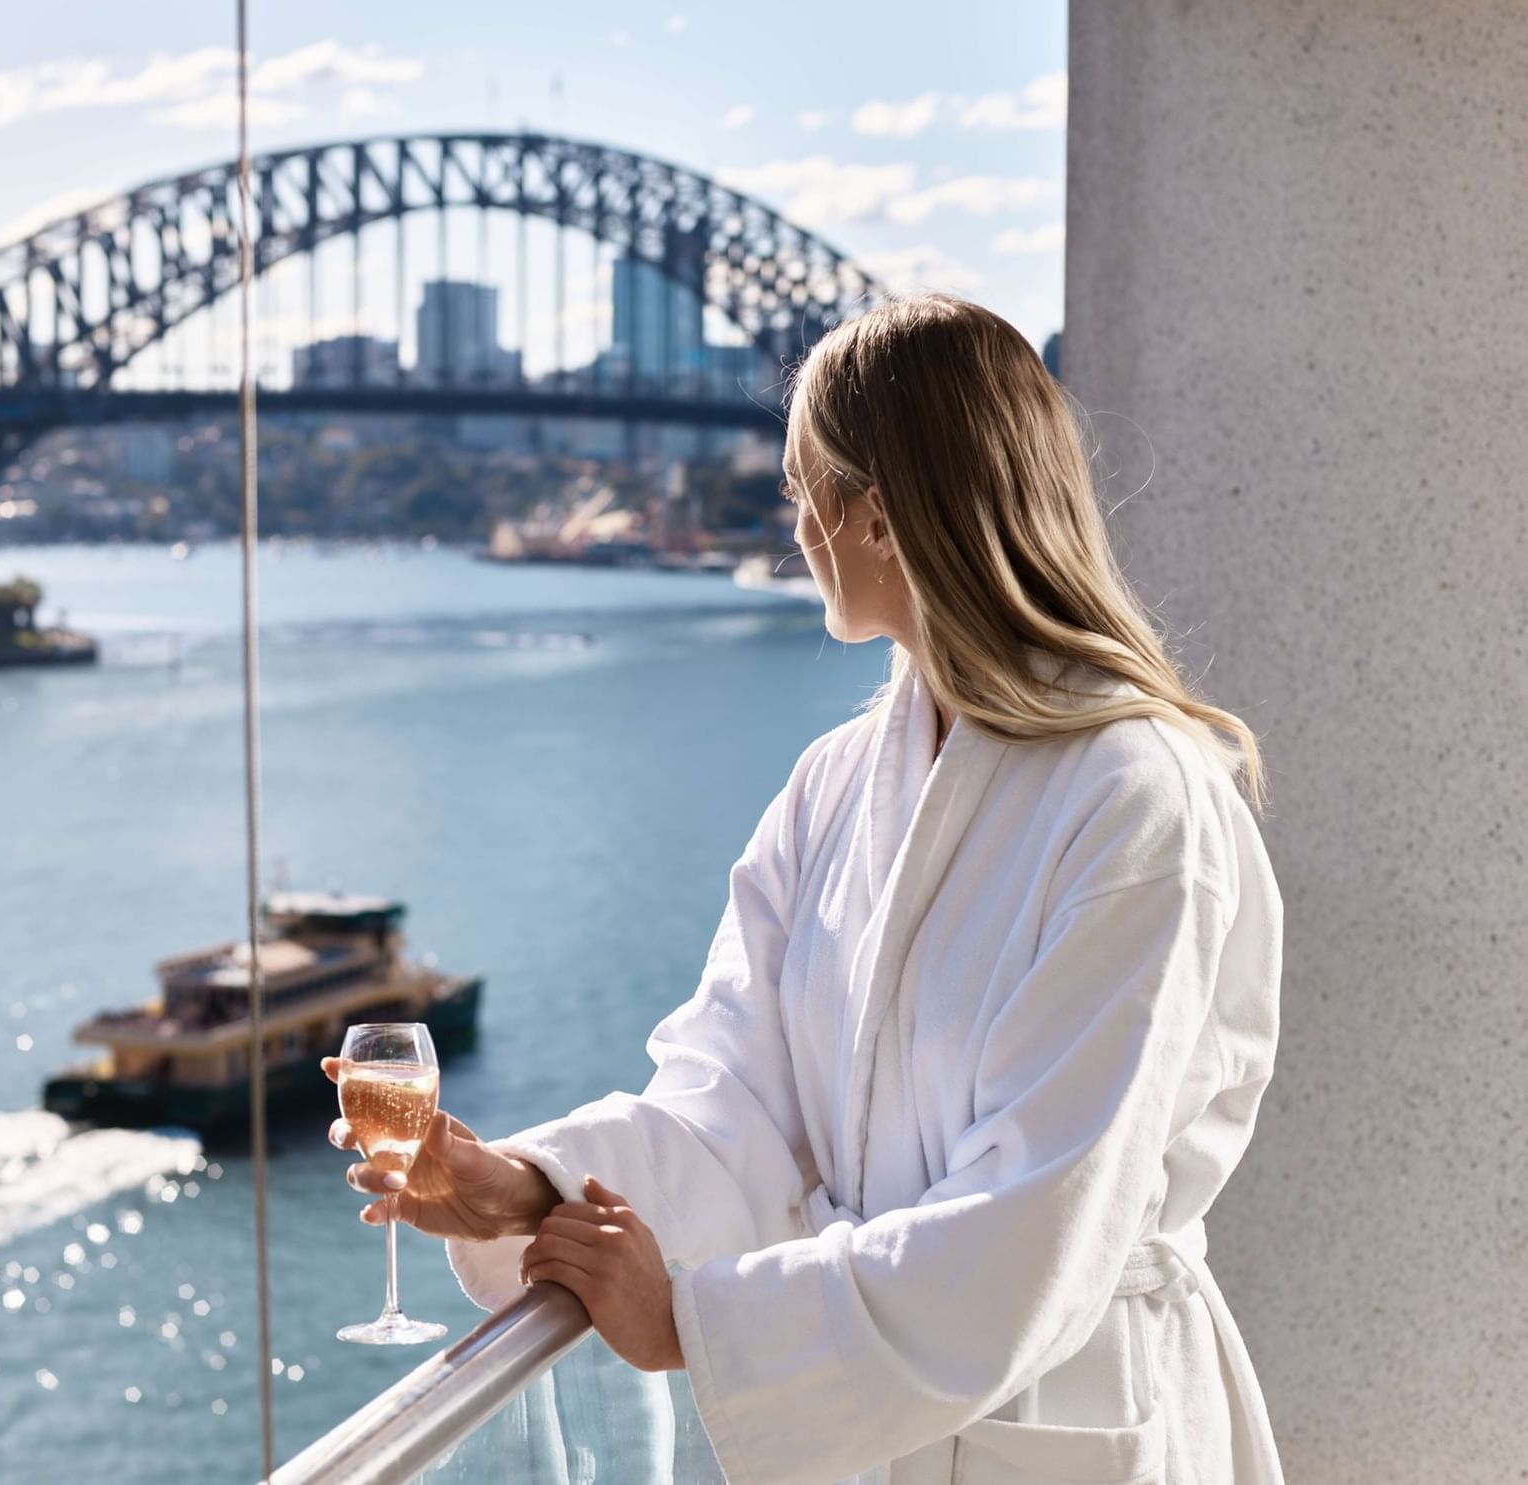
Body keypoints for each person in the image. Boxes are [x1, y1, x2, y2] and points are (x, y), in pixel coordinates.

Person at [327, 292, 1285, 1485]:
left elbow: (1045, 1213)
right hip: (878, 1429)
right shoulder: (834, 786)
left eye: (799, 491)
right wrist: (520, 1183)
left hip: (1068, 1411)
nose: (793, 529)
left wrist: (692, 1327)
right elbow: (736, 1104)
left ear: (876, 516)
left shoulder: (1136, 798)